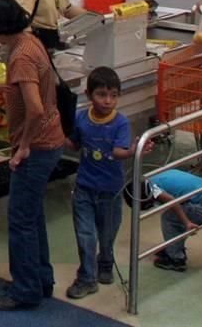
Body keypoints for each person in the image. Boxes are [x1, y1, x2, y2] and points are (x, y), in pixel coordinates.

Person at [0, 0, 65, 311]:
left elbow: (36, 109)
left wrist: (23, 146)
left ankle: (25, 290)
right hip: (51, 142)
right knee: (33, 216)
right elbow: (30, 89)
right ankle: (40, 279)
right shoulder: (31, 41)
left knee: (21, 220)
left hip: (36, 147)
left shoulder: (21, 56)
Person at [65, 67, 149, 300]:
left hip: (110, 191)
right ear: (89, 94)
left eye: (113, 95)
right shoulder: (81, 118)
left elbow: (118, 151)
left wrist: (132, 151)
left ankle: (106, 262)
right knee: (85, 234)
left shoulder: (120, 123)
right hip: (84, 187)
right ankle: (86, 278)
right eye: (102, 94)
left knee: (107, 234)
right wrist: (54, 130)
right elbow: (73, 144)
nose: (108, 101)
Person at [125, 169, 202, 272]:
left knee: (169, 218)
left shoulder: (153, 189)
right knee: (176, 214)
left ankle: (176, 259)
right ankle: (173, 247)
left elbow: (171, 200)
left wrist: (187, 222)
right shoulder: (155, 177)